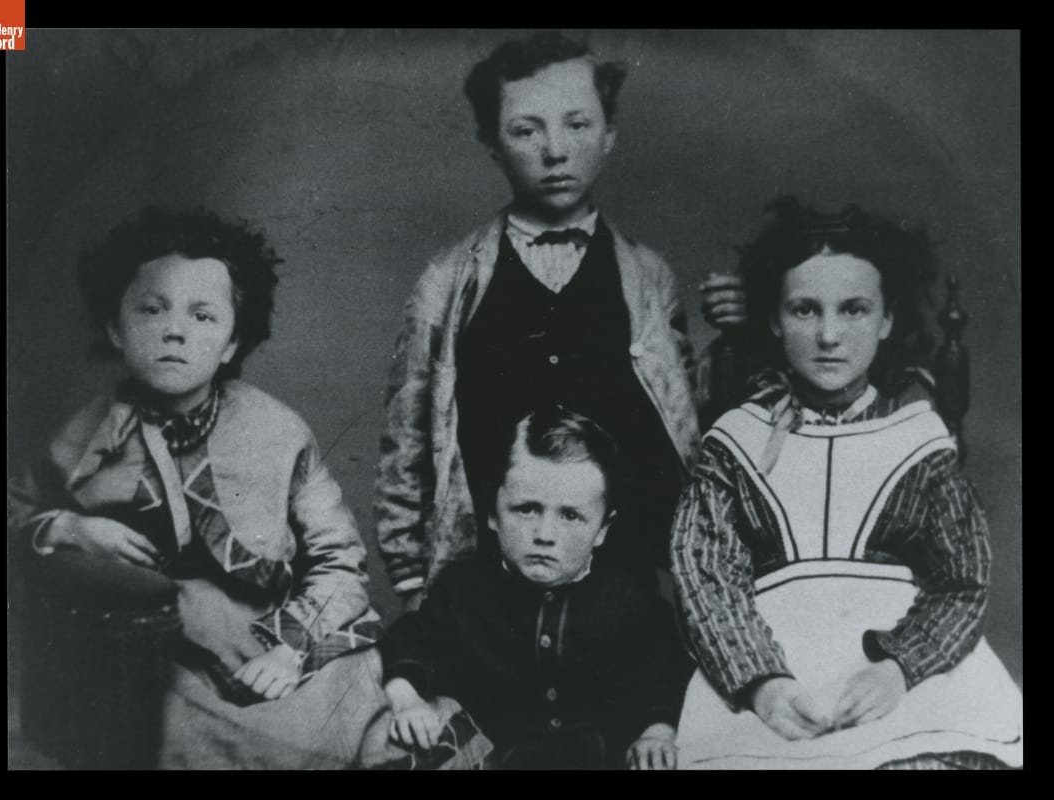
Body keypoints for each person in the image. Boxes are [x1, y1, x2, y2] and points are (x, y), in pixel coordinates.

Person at [7, 207, 387, 769]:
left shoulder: (277, 432)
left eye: (204, 315)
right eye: (151, 309)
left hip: (282, 647)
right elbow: (17, 509)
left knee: (370, 722)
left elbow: (340, 563)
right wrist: (71, 527)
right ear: (115, 327)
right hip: (164, 665)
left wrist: (292, 650)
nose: (175, 330)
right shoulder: (86, 435)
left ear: (233, 342)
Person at [669, 196, 1023, 769]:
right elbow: (706, 577)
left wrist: (900, 667)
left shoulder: (920, 443)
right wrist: (762, 684)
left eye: (853, 310)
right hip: (772, 665)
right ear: (774, 321)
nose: (829, 334)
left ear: (886, 321)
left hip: (898, 670)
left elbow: (963, 581)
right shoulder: (736, 444)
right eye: (805, 310)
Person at [375, 32, 715, 610]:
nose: (554, 150)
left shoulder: (648, 276)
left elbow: (686, 426)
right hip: (483, 589)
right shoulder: (448, 279)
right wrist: (411, 580)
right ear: (492, 144)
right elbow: (406, 437)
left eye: (577, 125)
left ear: (609, 135)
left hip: (622, 583)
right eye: (526, 130)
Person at [364, 406, 690, 770]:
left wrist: (656, 732)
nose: (544, 535)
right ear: (492, 513)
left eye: (570, 516)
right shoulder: (463, 591)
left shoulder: (628, 596)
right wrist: (407, 699)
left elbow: (663, 671)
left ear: (602, 529)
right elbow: (410, 642)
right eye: (526, 510)